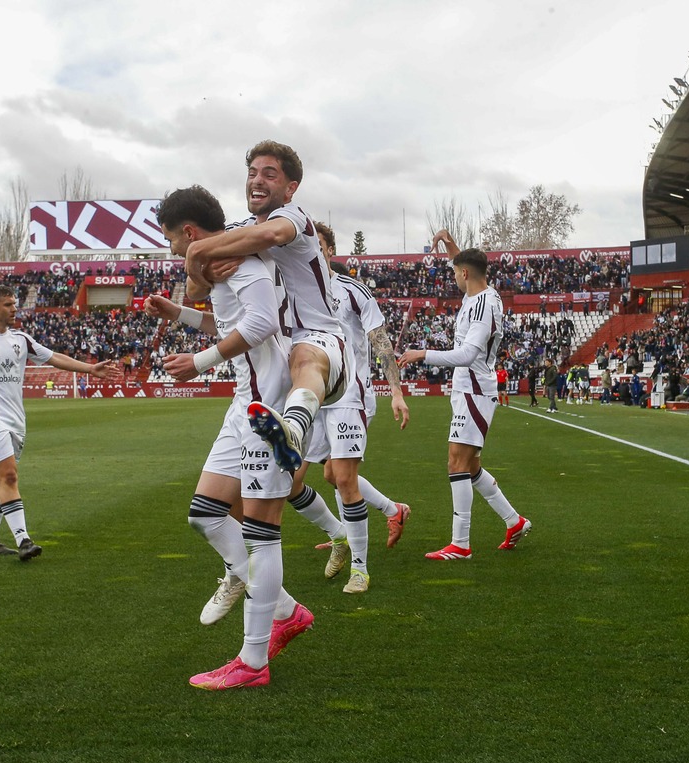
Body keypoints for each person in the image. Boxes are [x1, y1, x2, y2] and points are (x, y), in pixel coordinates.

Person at [148, 185, 311, 689]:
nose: (175, 250)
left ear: (192, 233)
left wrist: (197, 363)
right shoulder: (224, 261)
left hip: (266, 405)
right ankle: (281, 605)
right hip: (245, 401)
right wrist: (178, 314)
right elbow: (232, 321)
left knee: (261, 532)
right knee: (206, 514)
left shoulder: (240, 261)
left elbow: (260, 322)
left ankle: (253, 661)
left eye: (174, 240)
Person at [183, 140, 349, 473]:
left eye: (269, 174)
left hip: (322, 341)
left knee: (304, 354)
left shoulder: (295, 218)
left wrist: (197, 254)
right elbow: (194, 290)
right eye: (252, 172)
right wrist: (204, 269)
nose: (257, 180)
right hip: (275, 358)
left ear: (291, 189)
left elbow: (271, 235)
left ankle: (293, 432)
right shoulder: (238, 231)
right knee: (216, 509)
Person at [0, 286, 120, 561]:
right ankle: (24, 540)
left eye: (15, 303)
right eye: (9, 304)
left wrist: (89, 368)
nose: (14, 309)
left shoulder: (21, 339)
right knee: (9, 475)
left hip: (16, 418)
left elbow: (53, 357)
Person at [288, 222, 411, 594]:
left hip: (347, 397)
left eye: (319, 245)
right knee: (294, 482)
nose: (313, 251)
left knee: (342, 478)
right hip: (308, 398)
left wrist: (396, 391)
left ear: (329, 251)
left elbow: (379, 340)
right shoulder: (290, 292)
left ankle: (360, 568)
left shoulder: (352, 291)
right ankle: (347, 530)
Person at [399, 239, 531, 560]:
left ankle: (461, 544)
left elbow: (468, 354)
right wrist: (447, 241)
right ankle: (514, 522)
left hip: (474, 390)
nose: (453, 276)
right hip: (467, 390)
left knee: (456, 463)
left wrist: (422, 354)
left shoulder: (484, 305)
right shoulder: (478, 292)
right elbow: (463, 264)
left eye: (455, 272)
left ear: (465, 273)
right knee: (470, 467)